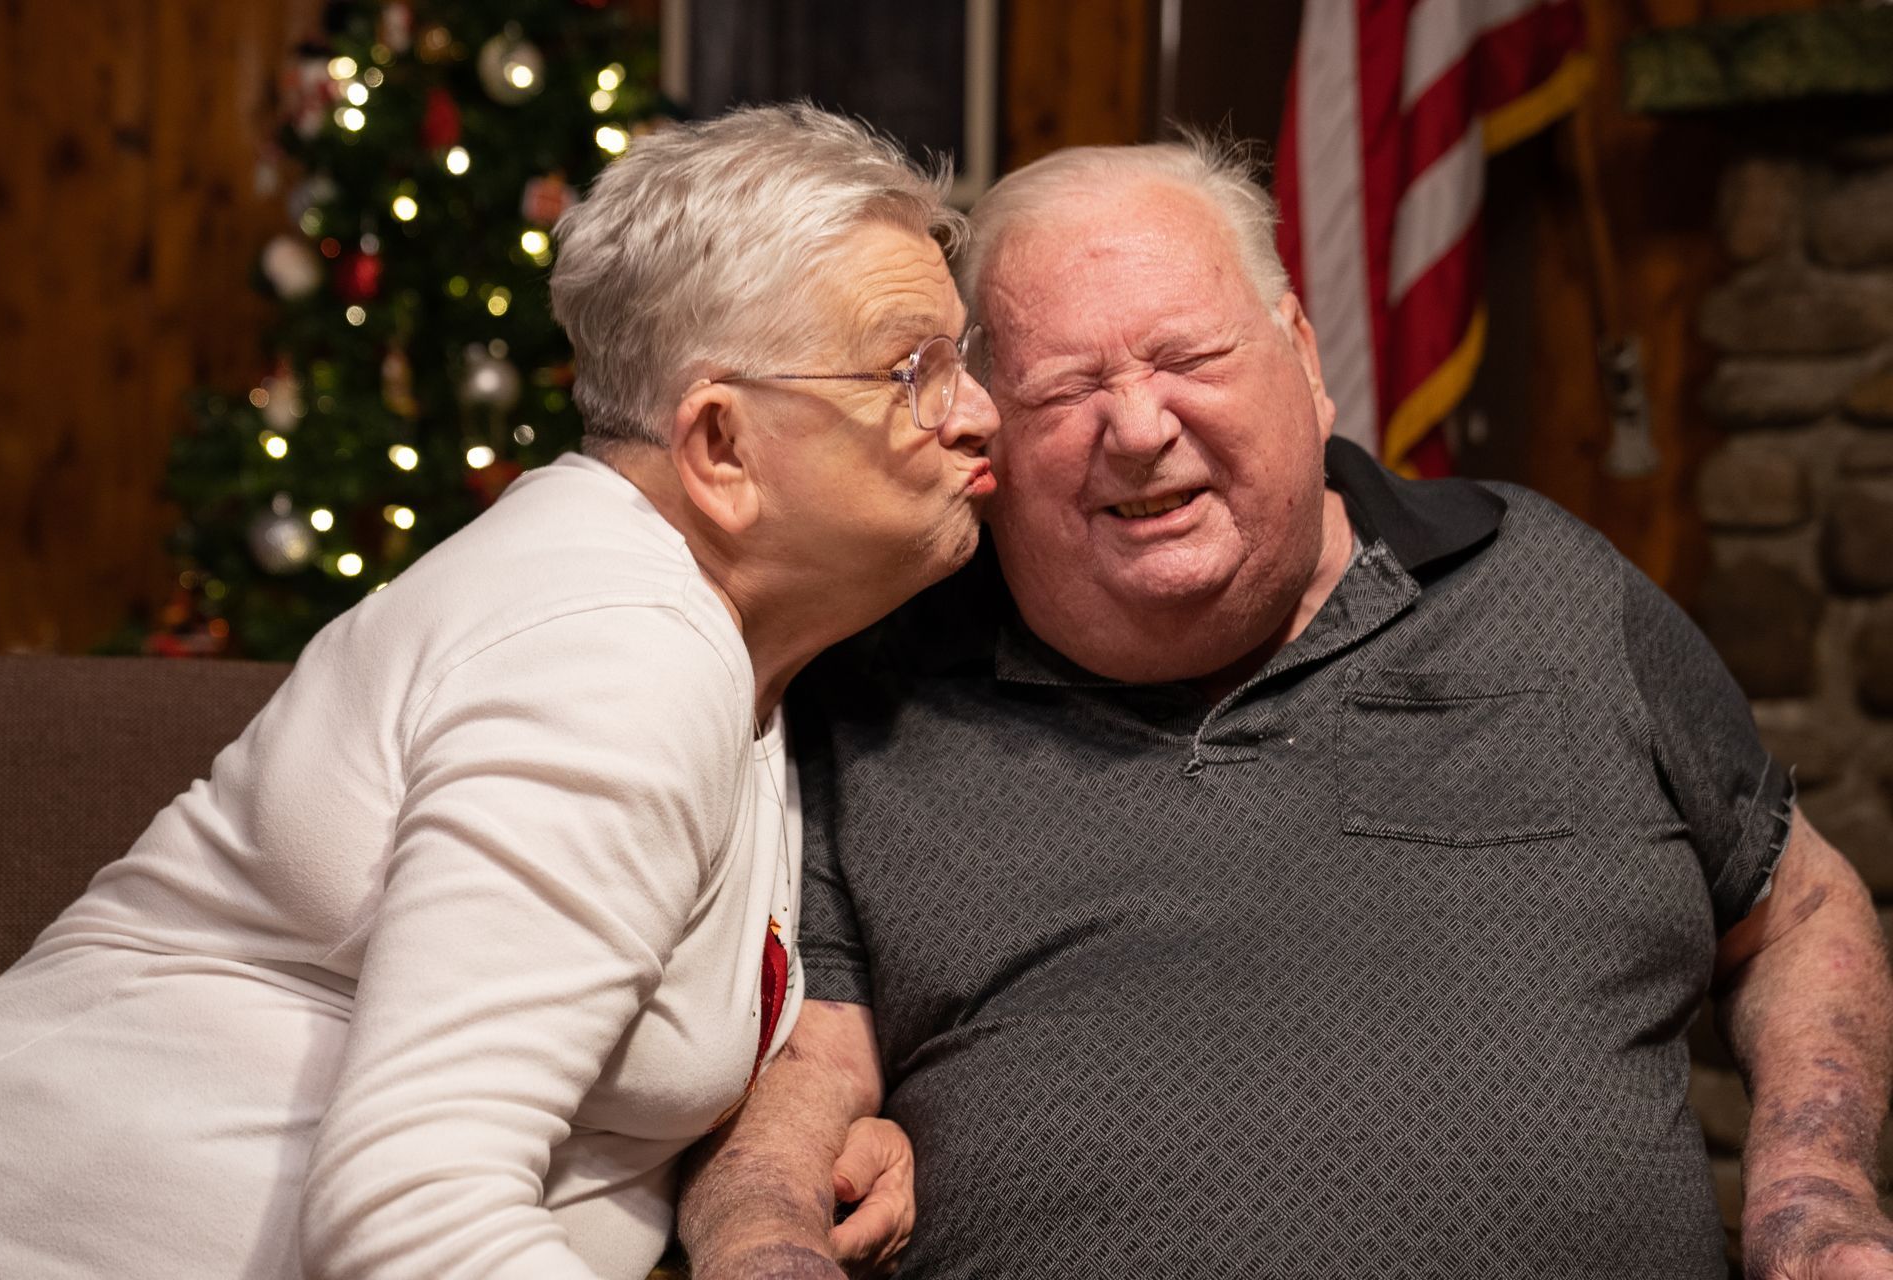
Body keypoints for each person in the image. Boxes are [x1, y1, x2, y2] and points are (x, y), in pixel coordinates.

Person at [680, 136, 1893, 1279]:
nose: (1140, 429)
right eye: (1062, 391)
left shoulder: (1549, 586)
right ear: (988, 432)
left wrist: (1815, 1192)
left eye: (1189, 360)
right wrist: (762, 1233)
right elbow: (802, 1069)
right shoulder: (883, 689)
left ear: (1303, 357)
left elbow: (1796, 910)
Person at [0, 103, 996, 1280]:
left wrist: (790, 1134)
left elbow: (599, 1023)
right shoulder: (617, 650)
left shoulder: (738, 639)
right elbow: (410, 1213)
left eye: (961, 360)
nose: (977, 412)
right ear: (720, 447)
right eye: (911, 370)